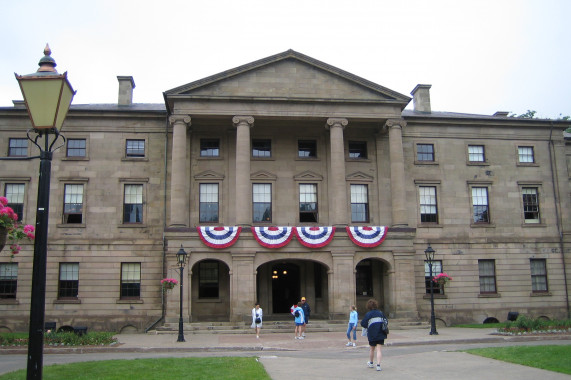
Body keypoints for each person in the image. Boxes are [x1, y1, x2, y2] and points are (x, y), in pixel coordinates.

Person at [360, 299, 387, 371]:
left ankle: (371, 363)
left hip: (372, 334)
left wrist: (369, 326)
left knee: (372, 349)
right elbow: (386, 322)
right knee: (379, 349)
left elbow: (363, 323)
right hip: (381, 333)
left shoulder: (368, 314)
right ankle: (378, 365)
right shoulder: (381, 313)